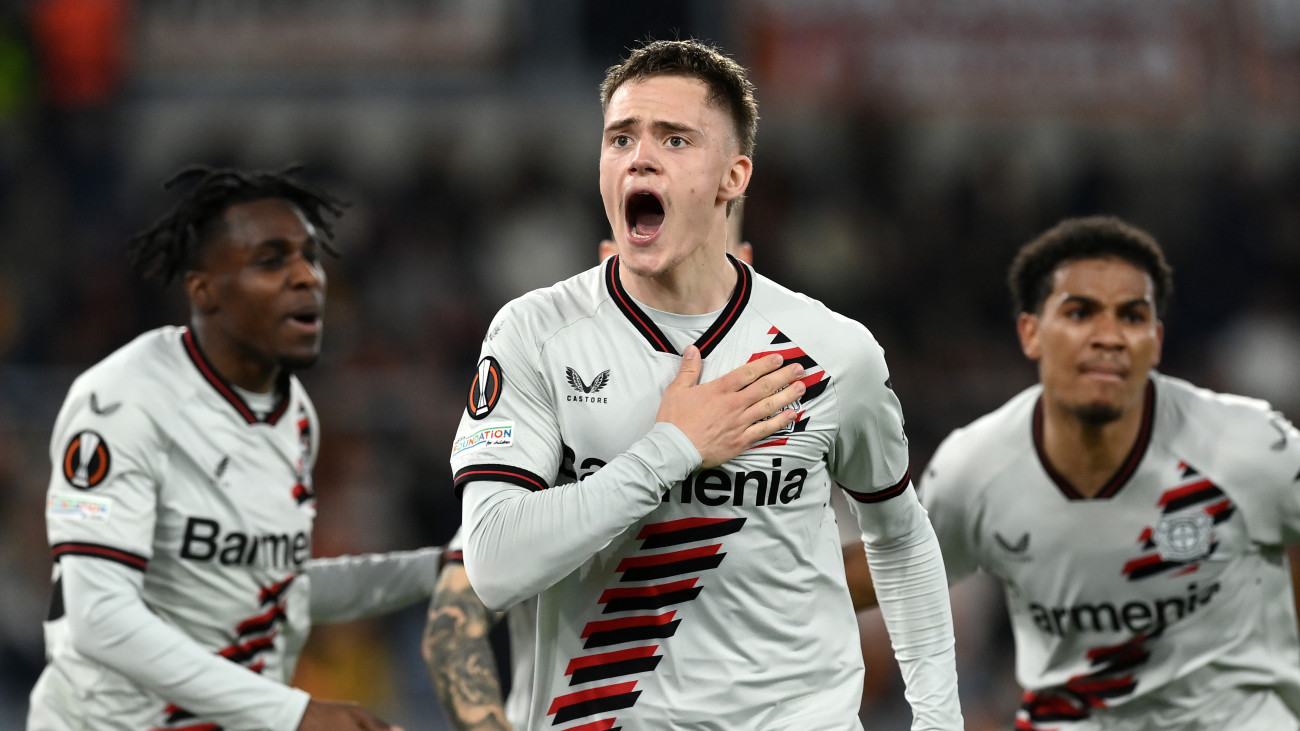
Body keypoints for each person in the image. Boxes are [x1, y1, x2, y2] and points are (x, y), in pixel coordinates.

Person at [450, 39, 963, 730]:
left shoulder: (832, 351)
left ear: (733, 177)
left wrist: (938, 718)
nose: (640, 156)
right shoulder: (535, 335)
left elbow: (900, 538)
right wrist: (670, 448)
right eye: (620, 137)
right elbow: (495, 563)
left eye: (675, 138)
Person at [27, 166, 444, 731]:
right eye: (271, 260)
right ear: (204, 290)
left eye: (309, 256)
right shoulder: (120, 402)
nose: (306, 277)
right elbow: (97, 615)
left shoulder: (290, 412)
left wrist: (437, 569)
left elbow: (268, 588)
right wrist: (293, 712)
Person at [915, 215, 1300, 729]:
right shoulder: (974, 467)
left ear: (1156, 341)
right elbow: (882, 571)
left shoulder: (1246, 446)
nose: (1110, 337)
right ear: (1030, 332)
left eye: (1132, 316)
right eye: (1081, 312)